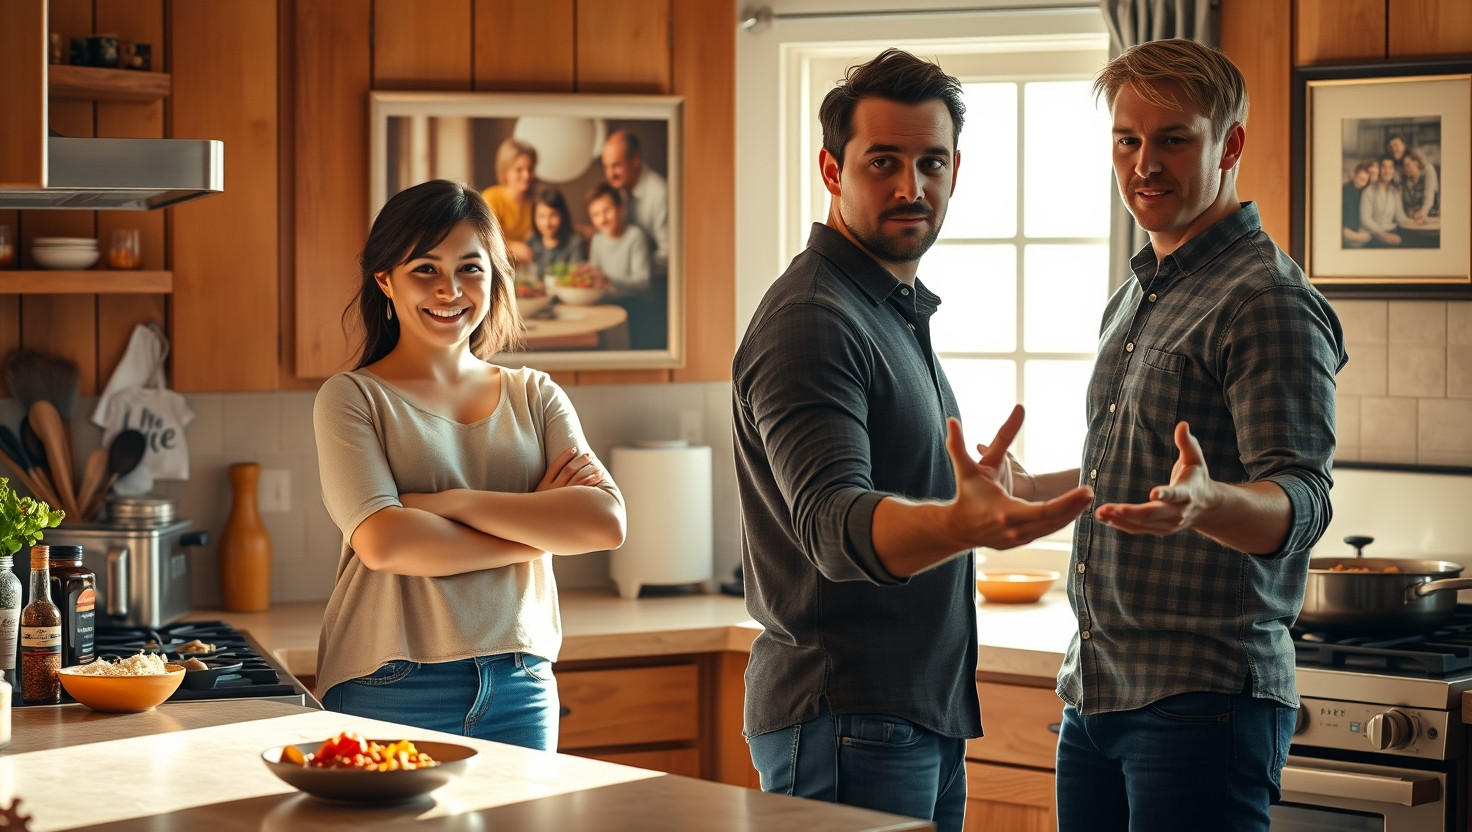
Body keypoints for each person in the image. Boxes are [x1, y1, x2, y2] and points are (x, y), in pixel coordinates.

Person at [731, 48, 1094, 832]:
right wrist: (963, 525)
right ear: (831, 169)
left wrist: (1116, 476)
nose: (911, 187)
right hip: (847, 719)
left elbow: (981, 493)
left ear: (956, 170)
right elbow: (834, 525)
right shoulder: (813, 320)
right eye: (882, 162)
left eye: (931, 162)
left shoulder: (885, 307)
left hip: (905, 718)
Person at [1008, 39, 1346, 832]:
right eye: (1127, 140)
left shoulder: (1266, 299)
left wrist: (1209, 504)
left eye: (1173, 140)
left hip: (1202, 700)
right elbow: (1137, 481)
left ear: (1228, 145)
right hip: (1095, 687)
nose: (1143, 165)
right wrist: (1034, 490)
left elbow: (1303, 499)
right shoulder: (1138, 291)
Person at [313, 179, 626, 751]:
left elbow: (604, 522)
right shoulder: (352, 398)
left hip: (520, 684)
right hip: (390, 681)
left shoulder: (536, 394)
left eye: (470, 268)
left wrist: (451, 504)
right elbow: (385, 543)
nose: (450, 290)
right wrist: (537, 527)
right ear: (385, 279)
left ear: (494, 278)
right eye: (425, 269)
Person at [586, 182, 661, 349]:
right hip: (609, 305)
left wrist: (608, 279)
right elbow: (595, 278)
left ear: (620, 209)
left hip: (635, 307)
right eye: (595, 214)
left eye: (607, 211)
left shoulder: (635, 237)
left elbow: (643, 283)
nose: (602, 218)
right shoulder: (597, 240)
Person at [601, 129, 669, 272]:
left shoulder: (660, 194)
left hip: (654, 286)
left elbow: (669, 254)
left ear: (635, 160)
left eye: (616, 166)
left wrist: (631, 268)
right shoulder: (619, 189)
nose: (610, 175)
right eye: (606, 167)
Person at [481, 137, 538, 265]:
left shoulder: (536, 200)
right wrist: (512, 247)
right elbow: (483, 239)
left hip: (528, 271)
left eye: (530, 169)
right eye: (519, 170)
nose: (526, 175)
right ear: (505, 172)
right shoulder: (491, 197)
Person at [528, 185, 587, 276]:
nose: (547, 223)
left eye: (553, 215)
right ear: (534, 217)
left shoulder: (574, 242)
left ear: (562, 215)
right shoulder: (531, 241)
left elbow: (576, 279)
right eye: (541, 216)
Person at [1360, 155, 1411, 246]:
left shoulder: (1395, 192)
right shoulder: (1368, 192)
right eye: (1384, 167)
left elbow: (1400, 217)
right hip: (1375, 235)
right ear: (1379, 169)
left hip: (1393, 232)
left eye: (1390, 167)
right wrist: (1384, 235)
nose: (1387, 171)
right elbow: (1365, 219)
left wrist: (1414, 222)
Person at [1341, 159, 1376, 247]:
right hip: (1346, 232)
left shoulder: (1363, 192)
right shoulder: (1346, 191)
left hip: (1357, 230)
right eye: (1360, 179)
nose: (1361, 183)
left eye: (1365, 181)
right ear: (1354, 176)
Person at [1399, 149, 1439, 222]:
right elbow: (1404, 205)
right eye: (1403, 166)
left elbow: (1429, 199)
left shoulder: (1428, 170)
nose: (1405, 169)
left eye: (1408, 165)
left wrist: (1422, 213)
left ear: (1416, 162)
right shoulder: (1405, 180)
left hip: (1432, 217)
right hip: (1413, 219)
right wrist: (1410, 213)